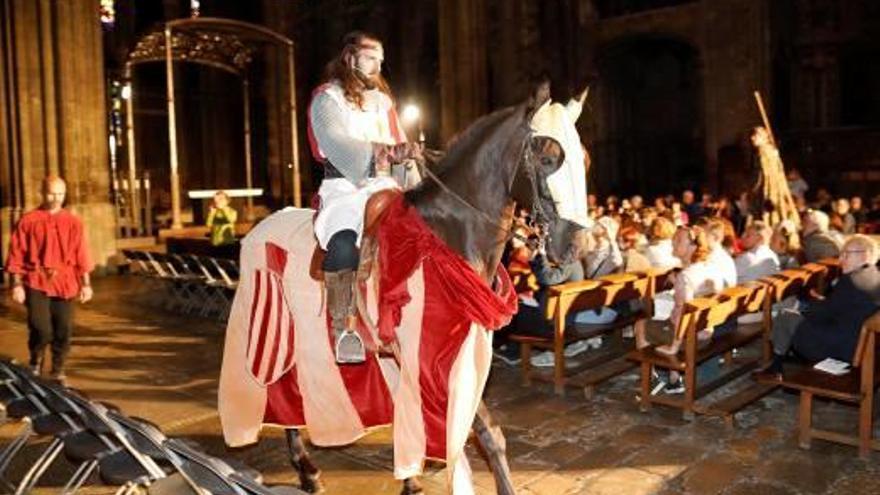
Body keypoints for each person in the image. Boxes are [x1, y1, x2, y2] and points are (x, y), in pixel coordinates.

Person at [308, 31, 422, 363]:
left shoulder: (384, 103)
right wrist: (385, 152)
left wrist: (407, 163)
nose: (377, 66)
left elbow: (399, 149)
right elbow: (335, 145)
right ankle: (343, 329)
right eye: (371, 57)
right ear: (349, 57)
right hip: (345, 190)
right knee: (344, 241)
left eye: (380, 60)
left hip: (386, 188)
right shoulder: (326, 99)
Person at [6, 175, 93, 382]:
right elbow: (17, 252)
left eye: (61, 194)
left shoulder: (73, 222)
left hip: (65, 281)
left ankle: (58, 368)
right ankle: (36, 358)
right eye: (52, 193)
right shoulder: (28, 220)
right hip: (36, 279)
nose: (56, 198)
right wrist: (17, 284)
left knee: (64, 328)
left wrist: (86, 284)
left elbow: (82, 253)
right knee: (40, 327)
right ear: (42, 192)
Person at [758, 235, 880, 379]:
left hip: (840, 349)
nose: (841, 260)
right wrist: (823, 302)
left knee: (786, 316)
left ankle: (775, 367)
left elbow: (821, 315)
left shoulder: (850, 281)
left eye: (846, 254)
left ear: (865, 255)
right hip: (865, 348)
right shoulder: (874, 276)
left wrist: (808, 305)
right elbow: (844, 307)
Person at [750, 126, 800, 228]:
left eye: (756, 135)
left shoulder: (765, 152)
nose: (753, 138)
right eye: (752, 135)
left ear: (766, 137)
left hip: (769, 192)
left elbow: (767, 175)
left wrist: (757, 190)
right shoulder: (769, 152)